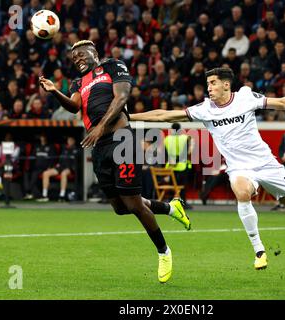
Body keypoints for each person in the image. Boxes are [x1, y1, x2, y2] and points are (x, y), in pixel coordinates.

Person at [130, 68, 285, 282]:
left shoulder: (246, 97)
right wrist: (129, 116)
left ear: (226, 85)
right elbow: (163, 115)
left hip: (267, 164)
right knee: (241, 191)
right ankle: (259, 250)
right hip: (239, 168)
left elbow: (283, 103)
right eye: (207, 83)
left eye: (213, 83)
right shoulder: (204, 109)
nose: (209, 88)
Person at [39, 40, 190, 283]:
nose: (77, 58)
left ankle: (164, 251)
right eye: (73, 57)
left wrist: (99, 127)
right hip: (99, 147)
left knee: (133, 204)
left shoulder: (112, 67)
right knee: (121, 207)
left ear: (94, 53)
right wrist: (55, 91)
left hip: (122, 140)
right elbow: (75, 107)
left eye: (81, 54)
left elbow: (121, 98)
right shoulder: (79, 82)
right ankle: (172, 208)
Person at [37, 136, 79, 202]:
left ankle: (61, 195)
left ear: (74, 141)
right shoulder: (64, 148)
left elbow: (76, 163)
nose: (69, 141)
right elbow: (59, 159)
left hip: (69, 168)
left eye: (71, 140)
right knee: (45, 173)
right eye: (68, 140)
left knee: (63, 173)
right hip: (60, 167)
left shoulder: (76, 150)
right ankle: (44, 195)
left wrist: (72, 168)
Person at [164, 122, 193, 208]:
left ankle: (170, 202)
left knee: (172, 185)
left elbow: (165, 154)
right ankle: (183, 202)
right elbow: (187, 152)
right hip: (182, 165)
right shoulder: (186, 138)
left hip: (170, 166)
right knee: (182, 186)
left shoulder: (166, 139)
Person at [22, 133, 56, 200]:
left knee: (34, 176)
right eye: (41, 137)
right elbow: (32, 157)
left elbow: (53, 158)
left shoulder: (50, 146)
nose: (42, 138)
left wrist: (50, 166)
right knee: (26, 173)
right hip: (36, 167)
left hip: (45, 168)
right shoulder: (37, 146)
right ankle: (30, 193)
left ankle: (29, 192)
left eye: (43, 137)